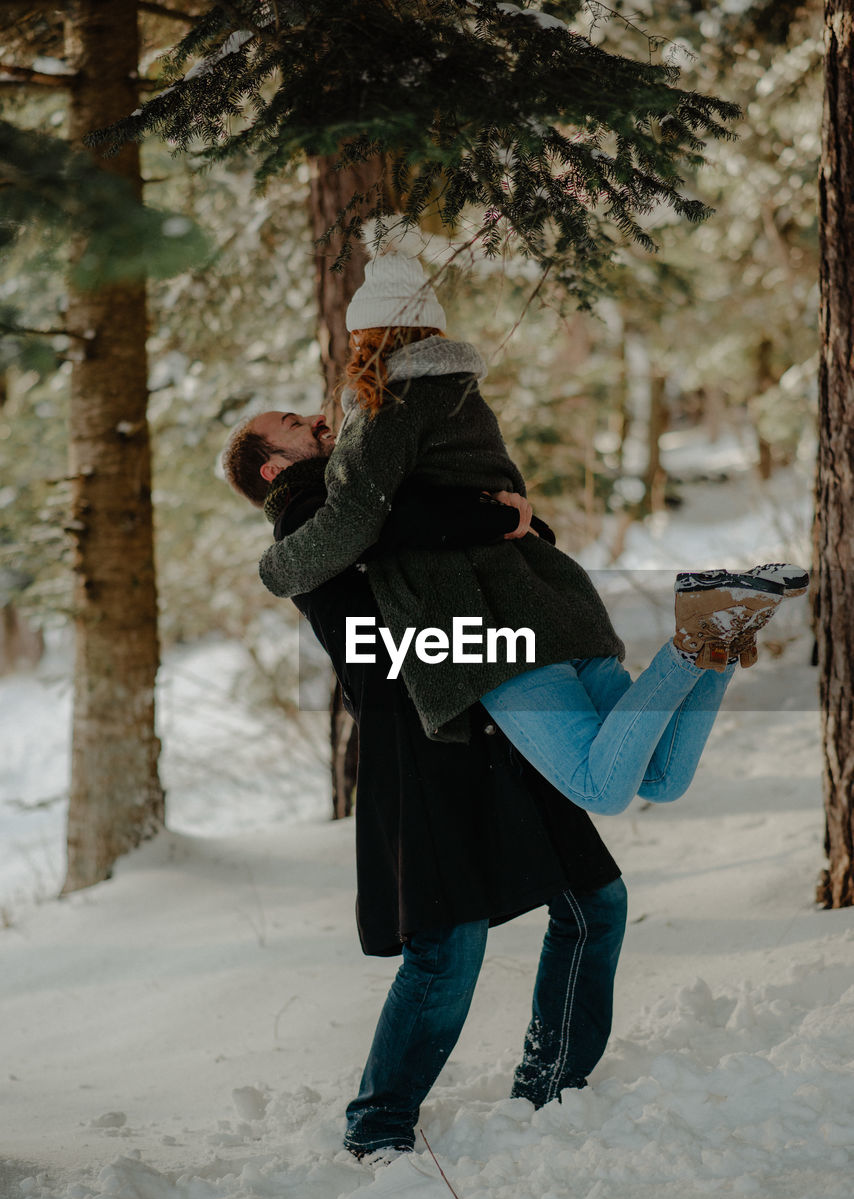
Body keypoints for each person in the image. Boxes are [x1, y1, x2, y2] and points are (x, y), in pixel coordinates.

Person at [253, 225, 808, 817]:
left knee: (601, 788)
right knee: (662, 778)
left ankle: (697, 637)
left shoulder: (383, 404)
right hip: (551, 599)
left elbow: (353, 520)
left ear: (364, 334)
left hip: (489, 629)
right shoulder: (464, 398)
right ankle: (721, 636)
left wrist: (276, 568)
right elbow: (508, 497)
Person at [222, 428, 628, 1160]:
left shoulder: (372, 489)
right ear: (274, 466)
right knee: (447, 944)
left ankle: (554, 1083)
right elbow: (411, 528)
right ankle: (377, 1125)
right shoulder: (308, 515)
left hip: (493, 708)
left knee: (595, 902)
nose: (319, 423)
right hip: (420, 739)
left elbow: (479, 542)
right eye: (297, 426)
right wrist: (497, 517)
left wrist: (515, 522)